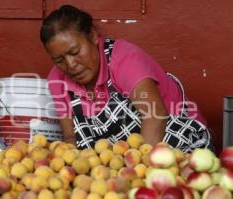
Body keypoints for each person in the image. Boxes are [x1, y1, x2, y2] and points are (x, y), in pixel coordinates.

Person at [40, 5, 214, 152]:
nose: (70, 65)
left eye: (75, 52)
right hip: (120, 165)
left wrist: (140, 173)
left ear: (93, 36)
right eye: (59, 60)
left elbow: (155, 115)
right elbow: (71, 137)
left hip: (179, 147)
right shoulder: (57, 79)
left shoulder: (124, 59)